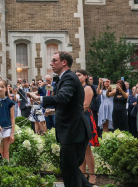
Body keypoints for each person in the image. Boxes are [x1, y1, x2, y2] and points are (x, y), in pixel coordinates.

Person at [27, 51, 92, 187]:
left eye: (54, 60)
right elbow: (69, 102)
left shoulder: (68, 77)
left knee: (69, 170)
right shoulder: (65, 77)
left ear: (64, 62)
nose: (51, 63)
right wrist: (55, 111)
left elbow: (63, 97)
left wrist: (39, 98)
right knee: (71, 168)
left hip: (73, 131)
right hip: (73, 130)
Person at [76, 69, 98, 186]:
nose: (77, 77)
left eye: (79, 75)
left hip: (85, 118)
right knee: (80, 148)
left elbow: (85, 105)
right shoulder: (77, 88)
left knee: (87, 148)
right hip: (77, 118)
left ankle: (93, 175)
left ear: (85, 76)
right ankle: (83, 174)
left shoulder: (87, 88)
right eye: (76, 75)